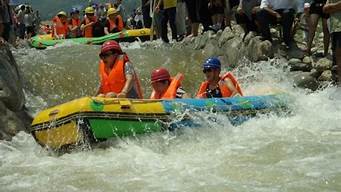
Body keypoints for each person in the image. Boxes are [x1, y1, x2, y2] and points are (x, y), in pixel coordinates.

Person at [323, 0, 341, 85]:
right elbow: (325, 9)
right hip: (334, 29)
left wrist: (331, 7)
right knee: (337, 59)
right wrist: (335, 6)